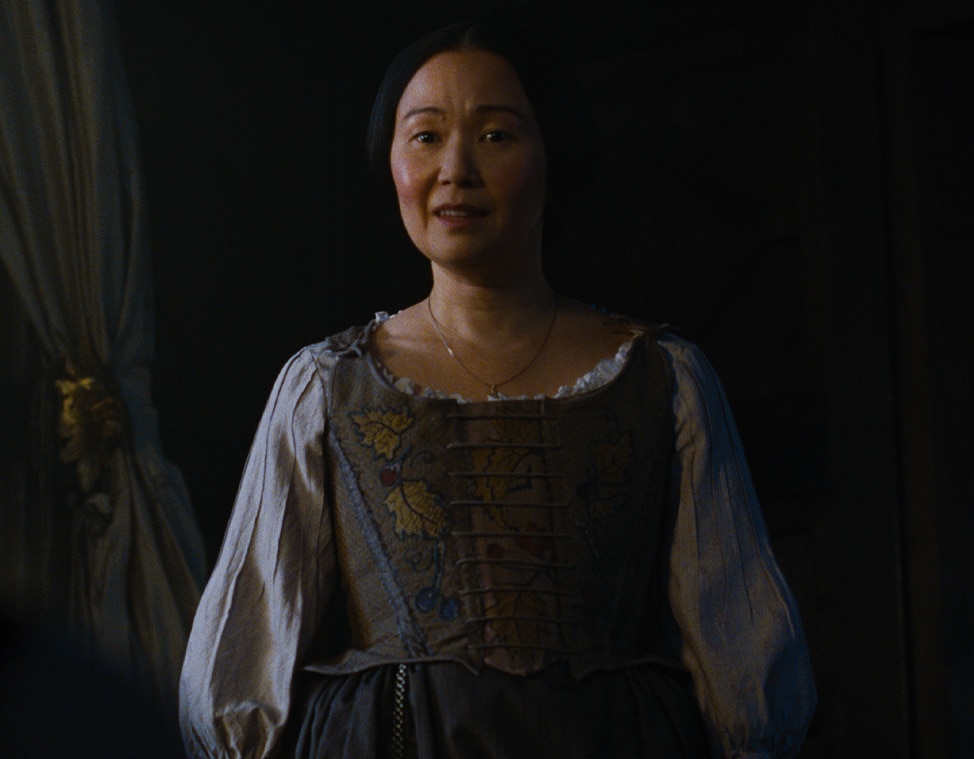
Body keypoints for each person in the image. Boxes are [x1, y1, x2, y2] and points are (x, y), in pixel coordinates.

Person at [179, 21, 817, 759]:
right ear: (391, 162)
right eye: (425, 136)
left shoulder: (663, 376)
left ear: (554, 158)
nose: (455, 169)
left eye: (495, 136)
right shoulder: (326, 385)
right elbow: (244, 649)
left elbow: (739, 636)